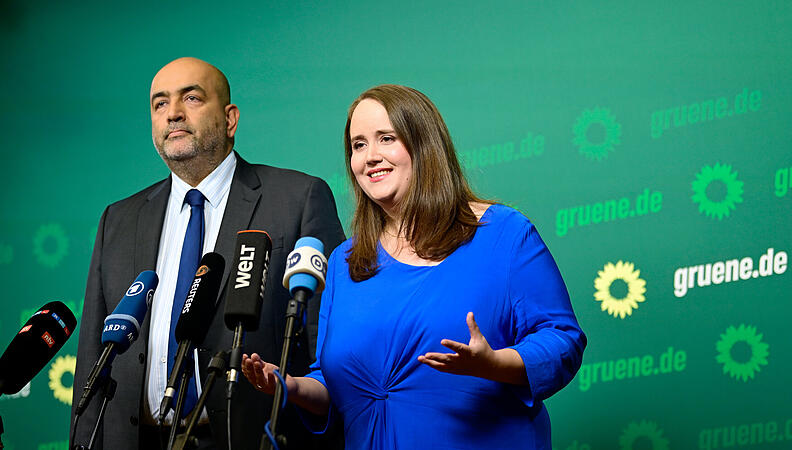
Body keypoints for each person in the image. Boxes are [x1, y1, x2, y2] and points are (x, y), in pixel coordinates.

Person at [243, 84, 586, 449]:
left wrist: (495, 364)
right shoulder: (344, 262)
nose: (370, 156)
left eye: (386, 138)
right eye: (358, 145)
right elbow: (335, 382)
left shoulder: (503, 233)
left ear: (424, 144)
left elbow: (562, 340)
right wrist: (291, 386)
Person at [70, 57, 345, 450]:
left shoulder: (297, 200)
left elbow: (330, 347)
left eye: (192, 98)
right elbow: (93, 359)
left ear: (230, 119)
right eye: (160, 104)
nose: (173, 113)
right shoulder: (118, 220)